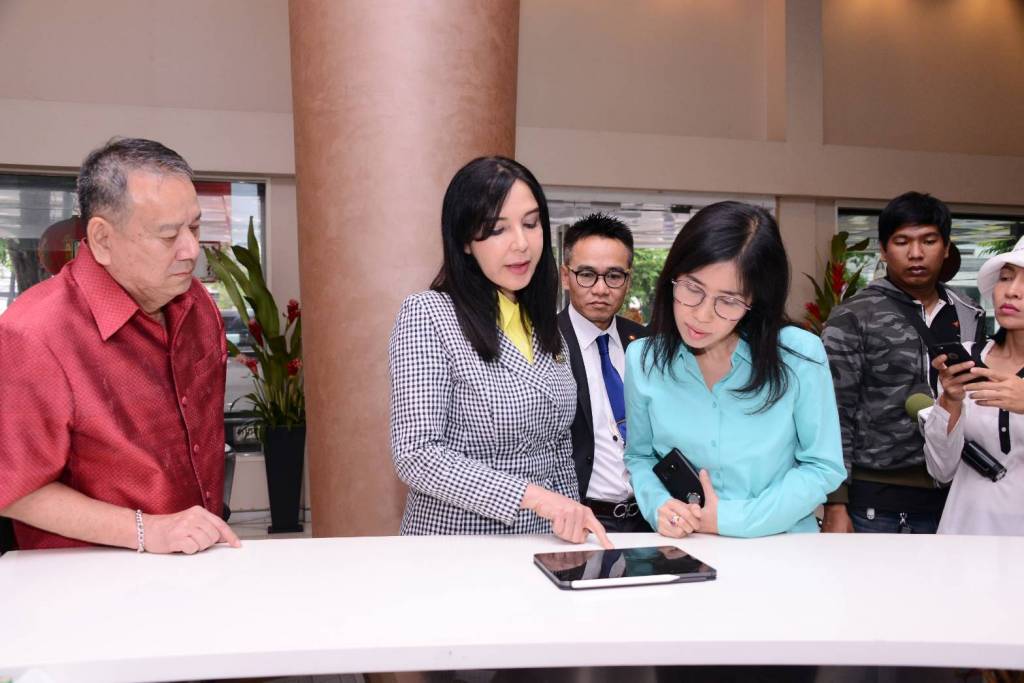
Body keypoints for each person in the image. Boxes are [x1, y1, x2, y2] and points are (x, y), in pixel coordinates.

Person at [0, 138, 240, 554]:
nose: (191, 250)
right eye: (168, 235)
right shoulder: (34, 334)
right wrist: (151, 531)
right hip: (86, 576)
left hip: (196, 559)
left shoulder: (198, 304)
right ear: (102, 239)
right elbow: (16, 488)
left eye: (195, 227)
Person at [389, 156, 611, 548]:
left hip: (543, 544)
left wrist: (572, 517)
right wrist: (534, 498)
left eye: (531, 223)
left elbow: (558, 446)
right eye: (497, 229)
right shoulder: (429, 314)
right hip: (456, 546)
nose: (521, 243)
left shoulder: (542, 323)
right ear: (465, 241)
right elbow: (417, 454)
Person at [623, 201, 845, 538]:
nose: (701, 315)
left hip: (781, 549)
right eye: (692, 288)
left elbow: (822, 466)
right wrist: (659, 507)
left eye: (727, 300)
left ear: (755, 300)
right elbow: (640, 457)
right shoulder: (643, 359)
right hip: (688, 546)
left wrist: (731, 519)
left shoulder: (799, 355)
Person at [821, 191, 985, 534]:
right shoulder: (853, 316)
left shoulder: (969, 313)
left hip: (958, 498)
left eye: (929, 241)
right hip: (876, 502)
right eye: (902, 242)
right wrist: (836, 502)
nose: (916, 253)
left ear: (946, 247)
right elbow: (833, 412)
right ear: (883, 250)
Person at [922, 238, 1024, 535]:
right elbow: (941, 470)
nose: (1012, 291)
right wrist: (950, 402)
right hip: (965, 531)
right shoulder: (968, 358)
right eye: (1006, 278)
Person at [557, 213, 650, 532]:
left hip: (648, 520)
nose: (600, 289)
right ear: (565, 276)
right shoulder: (542, 342)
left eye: (614, 276)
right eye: (586, 275)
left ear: (628, 279)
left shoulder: (646, 343)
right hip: (578, 522)